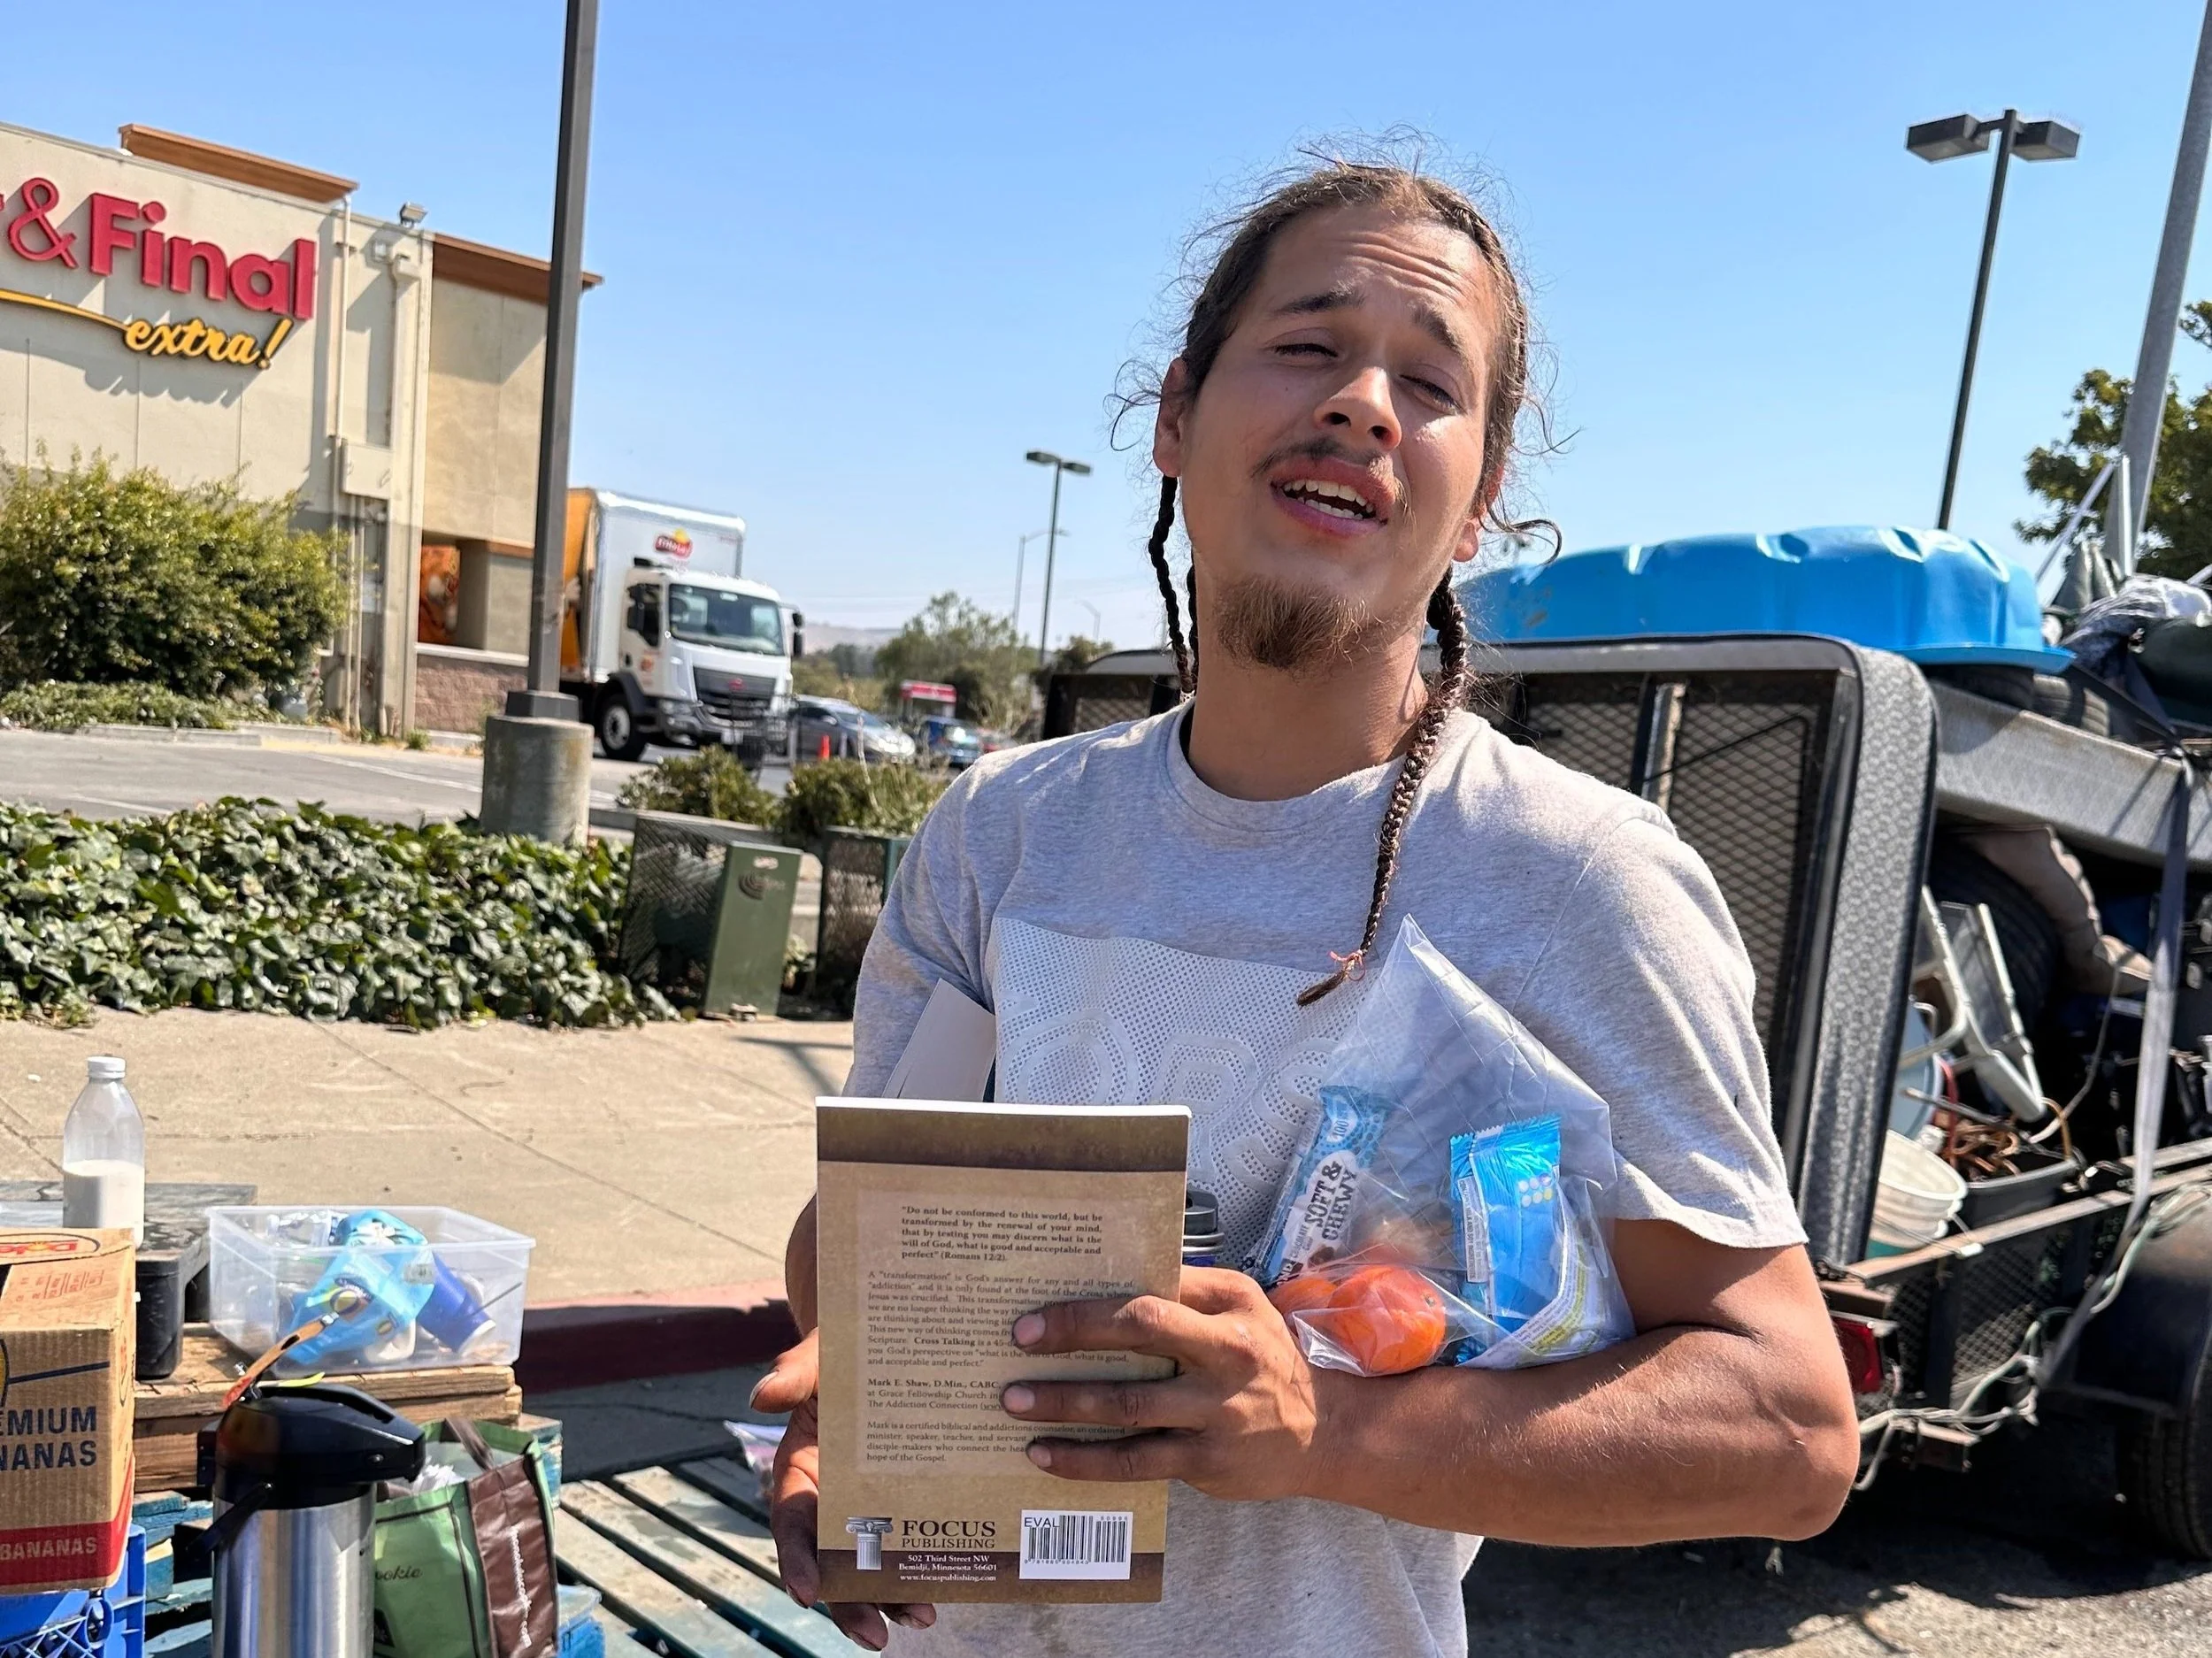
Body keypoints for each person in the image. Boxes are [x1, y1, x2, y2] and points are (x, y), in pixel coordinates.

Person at [754, 154, 1859, 1656]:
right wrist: (851, 1401)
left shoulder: (1574, 879)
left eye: (1430, 381)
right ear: (1174, 415)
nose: (1363, 404)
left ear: (1479, 503)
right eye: (1307, 343)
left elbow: (1788, 1426)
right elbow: (856, 1240)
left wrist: (1323, 1428)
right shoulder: (1001, 834)